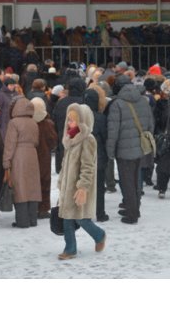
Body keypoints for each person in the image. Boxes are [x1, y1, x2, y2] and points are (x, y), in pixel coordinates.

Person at [57, 103, 106, 260]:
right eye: (69, 119)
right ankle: (70, 248)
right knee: (67, 217)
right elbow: (65, 165)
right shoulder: (70, 138)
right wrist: (61, 182)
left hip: (79, 187)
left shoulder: (88, 140)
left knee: (81, 218)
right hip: (67, 187)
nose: (69, 123)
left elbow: (88, 166)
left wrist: (83, 187)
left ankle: (99, 235)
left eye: (73, 120)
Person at [107, 75, 154, 224]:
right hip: (140, 147)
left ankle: (132, 214)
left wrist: (110, 151)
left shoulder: (117, 104)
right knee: (135, 179)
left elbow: (113, 130)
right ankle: (134, 208)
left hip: (123, 149)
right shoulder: (143, 101)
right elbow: (150, 124)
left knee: (126, 181)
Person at [2, 97, 41, 228]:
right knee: (32, 187)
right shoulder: (33, 122)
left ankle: (22, 221)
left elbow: (10, 144)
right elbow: (36, 141)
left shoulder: (14, 122)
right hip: (32, 154)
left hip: (19, 156)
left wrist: (6, 161)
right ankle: (32, 219)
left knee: (20, 188)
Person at [82, 87, 109, 221]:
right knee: (99, 187)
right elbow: (105, 137)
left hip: (82, 156)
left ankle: (84, 212)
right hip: (98, 156)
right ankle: (100, 212)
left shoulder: (79, 117)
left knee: (83, 184)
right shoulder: (100, 117)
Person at [31, 97, 58, 219]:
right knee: (44, 181)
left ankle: (32, 206)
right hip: (44, 157)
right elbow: (53, 142)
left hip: (29, 157)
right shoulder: (48, 123)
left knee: (32, 182)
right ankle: (42, 208)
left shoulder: (27, 122)